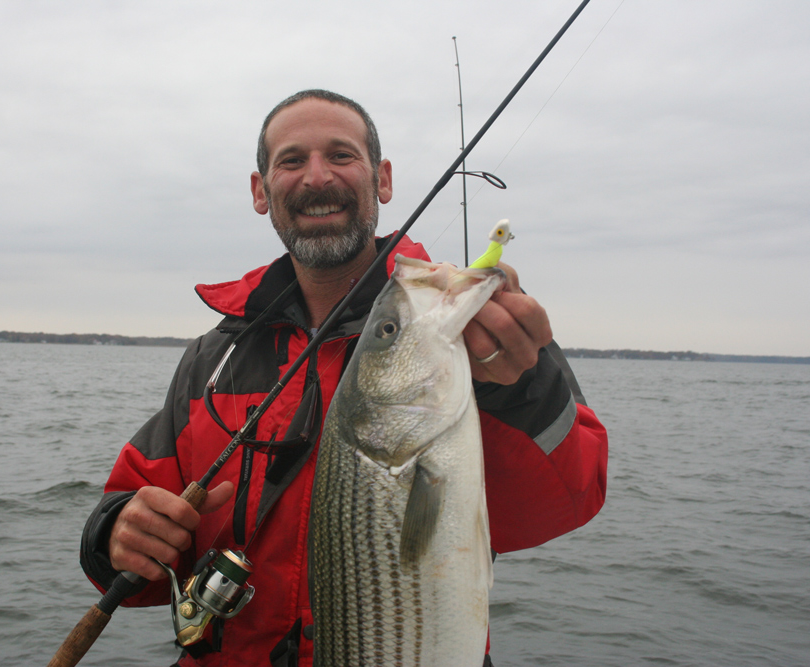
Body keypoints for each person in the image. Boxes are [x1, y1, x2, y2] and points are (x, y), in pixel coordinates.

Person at [80, 89, 608, 667]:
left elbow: (570, 498)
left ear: (382, 180)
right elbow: (135, 530)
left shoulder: (471, 338)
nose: (316, 177)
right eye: (290, 161)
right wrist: (117, 534)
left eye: (340, 155)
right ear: (261, 191)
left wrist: (519, 387)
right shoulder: (213, 360)